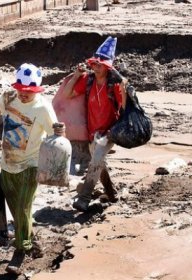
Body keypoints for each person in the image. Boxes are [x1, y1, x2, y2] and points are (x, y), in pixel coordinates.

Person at [0, 63, 60, 275]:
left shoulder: (42, 108)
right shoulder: (9, 98)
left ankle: (20, 251)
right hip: (8, 163)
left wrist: (53, 163)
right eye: (21, 91)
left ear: (36, 90)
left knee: (24, 207)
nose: (24, 95)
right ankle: (33, 241)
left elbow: (56, 135)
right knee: (16, 210)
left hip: (30, 164)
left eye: (29, 92)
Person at [63, 36, 127, 212]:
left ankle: (84, 197)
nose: (96, 67)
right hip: (92, 132)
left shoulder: (114, 84)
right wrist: (76, 76)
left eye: (100, 65)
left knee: (97, 158)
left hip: (109, 131)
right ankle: (111, 193)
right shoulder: (88, 80)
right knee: (98, 162)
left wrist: (123, 87)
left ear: (107, 67)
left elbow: (125, 105)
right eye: (94, 64)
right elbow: (68, 94)